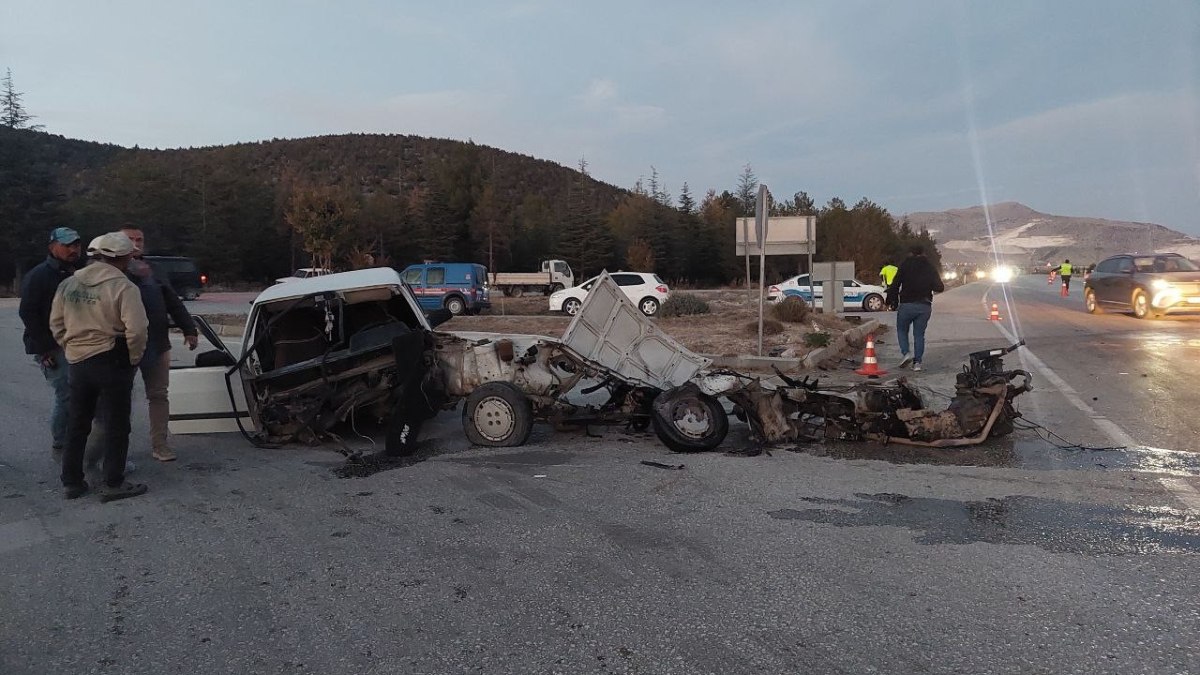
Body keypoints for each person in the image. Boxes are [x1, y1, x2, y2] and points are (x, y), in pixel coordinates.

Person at [51, 232, 149, 501]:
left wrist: (71, 348)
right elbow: (137, 330)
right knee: (116, 424)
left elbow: (57, 323)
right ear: (123, 258)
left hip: (78, 361)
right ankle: (113, 482)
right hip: (112, 358)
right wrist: (133, 357)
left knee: (78, 422)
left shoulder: (70, 283)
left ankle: (72, 481)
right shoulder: (123, 287)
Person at [119, 226, 199, 462]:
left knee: (158, 395)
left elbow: (172, 300)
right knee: (119, 397)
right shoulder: (111, 271)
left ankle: (160, 444)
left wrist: (189, 328)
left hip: (157, 343)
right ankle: (117, 449)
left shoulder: (154, 269)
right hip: (122, 345)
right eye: (130, 239)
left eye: (139, 239)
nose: (136, 243)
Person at [18, 227, 83, 462]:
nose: (73, 249)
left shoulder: (81, 272)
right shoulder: (39, 276)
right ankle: (62, 440)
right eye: (67, 245)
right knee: (65, 392)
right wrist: (45, 348)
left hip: (78, 342)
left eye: (76, 244)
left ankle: (77, 437)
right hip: (52, 346)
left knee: (79, 392)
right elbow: (28, 313)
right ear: (52, 247)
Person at [884, 245, 945, 372]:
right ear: (923, 253)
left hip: (907, 305)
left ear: (910, 253)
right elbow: (939, 287)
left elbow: (895, 284)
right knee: (919, 335)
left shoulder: (905, 265)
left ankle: (906, 353)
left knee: (901, 330)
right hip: (924, 305)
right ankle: (917, 363)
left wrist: (891, 301)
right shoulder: (929, 267)